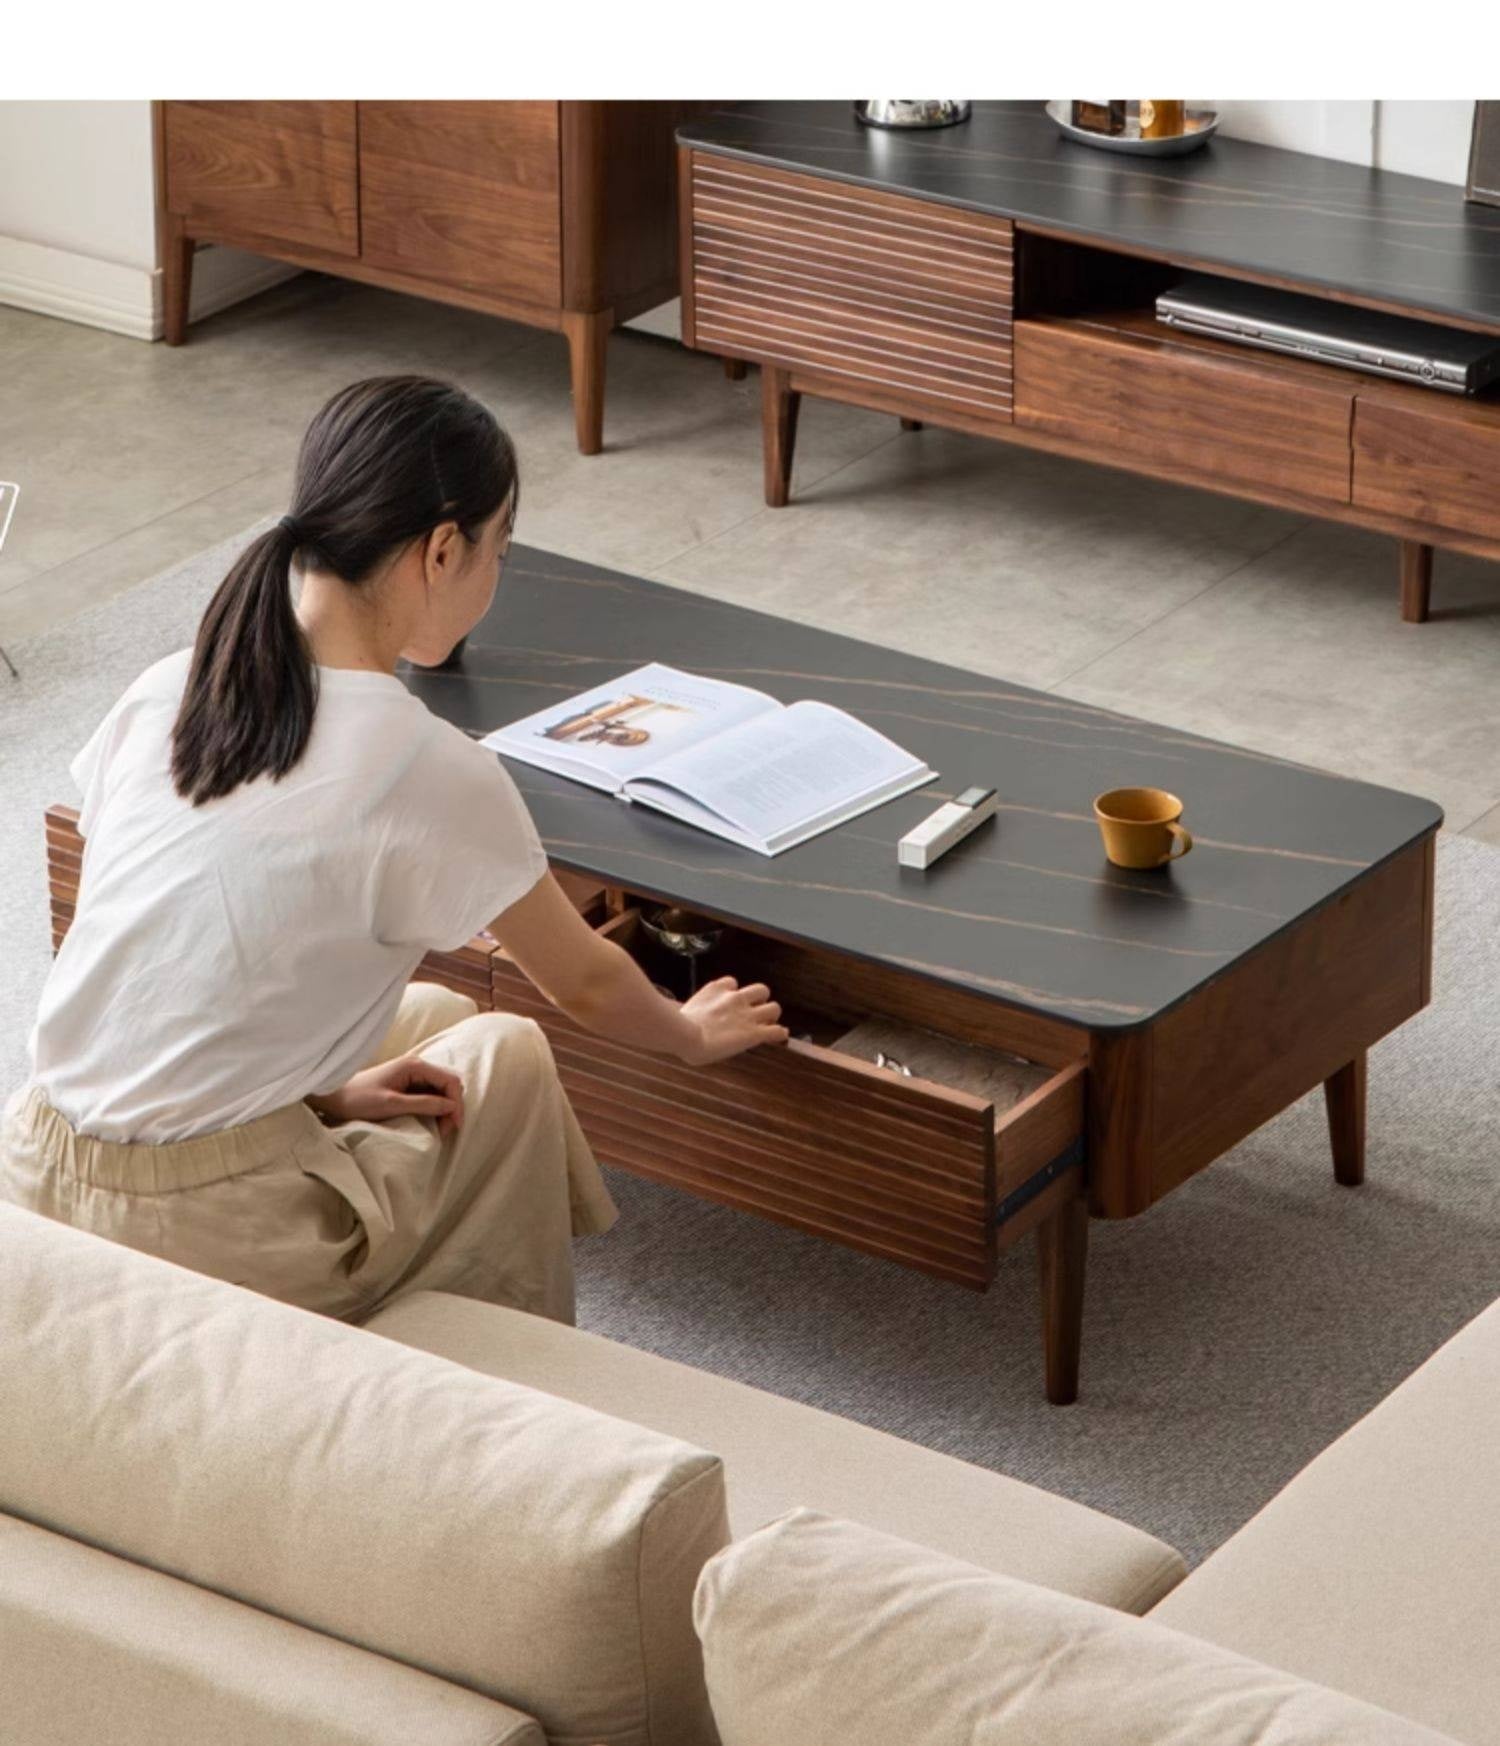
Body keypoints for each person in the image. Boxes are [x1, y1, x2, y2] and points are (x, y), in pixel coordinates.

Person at [1, 375, 787, 1325]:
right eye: (499, 550)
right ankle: (499, 1377)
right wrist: (692, 1035)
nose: (496, 577)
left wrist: (322, 1094)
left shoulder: (174, 682)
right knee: (508, 1054)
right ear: (443, 550)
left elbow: (173, 946)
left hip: (37, 1161)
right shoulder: (423, 765)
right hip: (200, 1227)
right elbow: (582, 984)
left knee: (431, 1010)